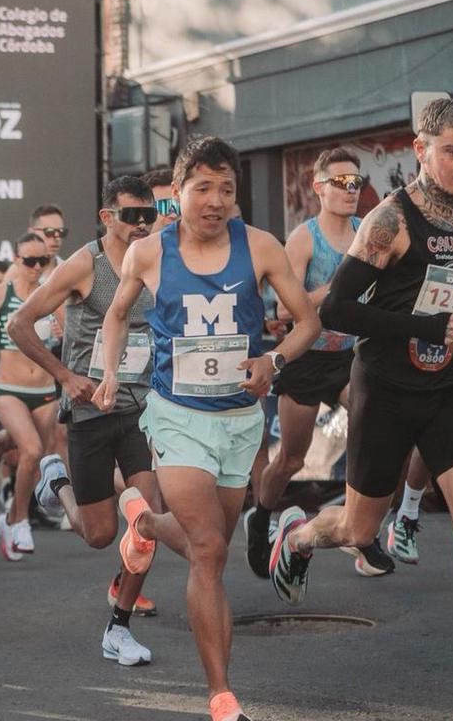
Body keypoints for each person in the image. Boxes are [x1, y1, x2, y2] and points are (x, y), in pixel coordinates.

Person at [269, 98, 453, 719]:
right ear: (421, 150)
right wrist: (421, 321)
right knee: (359, 529)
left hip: (449, 384)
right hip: (385, 388)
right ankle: (303, 535)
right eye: (452, 150)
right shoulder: (388, 220)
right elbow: (335, 309)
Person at [93, 136, 320, 721]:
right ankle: (221, 694)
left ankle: (142, 522)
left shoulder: (262, 246)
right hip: (176, 416)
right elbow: (117, 314)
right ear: (178, 192)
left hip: (240, 422)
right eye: (202, 188)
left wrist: (275, 362)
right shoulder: (148, 253)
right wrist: (112, 375)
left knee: (206, 543)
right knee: (210, 550)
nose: (215, 200)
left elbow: (308, 320)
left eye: (226, 190)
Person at [14, 175, 167, 665]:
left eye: (149, 214)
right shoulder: (86, 265)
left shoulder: (162, 259)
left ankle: (118, 627)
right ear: (108, 217)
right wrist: (64, 377)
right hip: (90, 411)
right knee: (99, 533)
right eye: (131, 216)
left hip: (144, 410)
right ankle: (57, 483)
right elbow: (20, 324)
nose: (142, 224)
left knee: (151, 519)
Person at [243, 147, 395, 578]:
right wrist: (338, 289)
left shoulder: (369, 232)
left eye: (357, 182)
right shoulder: (304, 237)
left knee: (378, 430)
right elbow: (287, 311)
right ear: (319, 188)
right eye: (342, 183)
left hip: (352, 355)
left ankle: (359, 532)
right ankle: (260, 517)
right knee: (292, 458)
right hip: (307, 357)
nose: (352, 191)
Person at [0, 232, 62, 560]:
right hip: (9, 389)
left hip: (45, 390)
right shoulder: (0, 294)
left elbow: (74, 334)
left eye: (42, 261)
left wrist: (62, 333)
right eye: (28, 261)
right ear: (16, 260)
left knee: (35, 455)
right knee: (31, 450)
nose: (35, 267)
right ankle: (18, 520)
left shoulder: (52, 295)